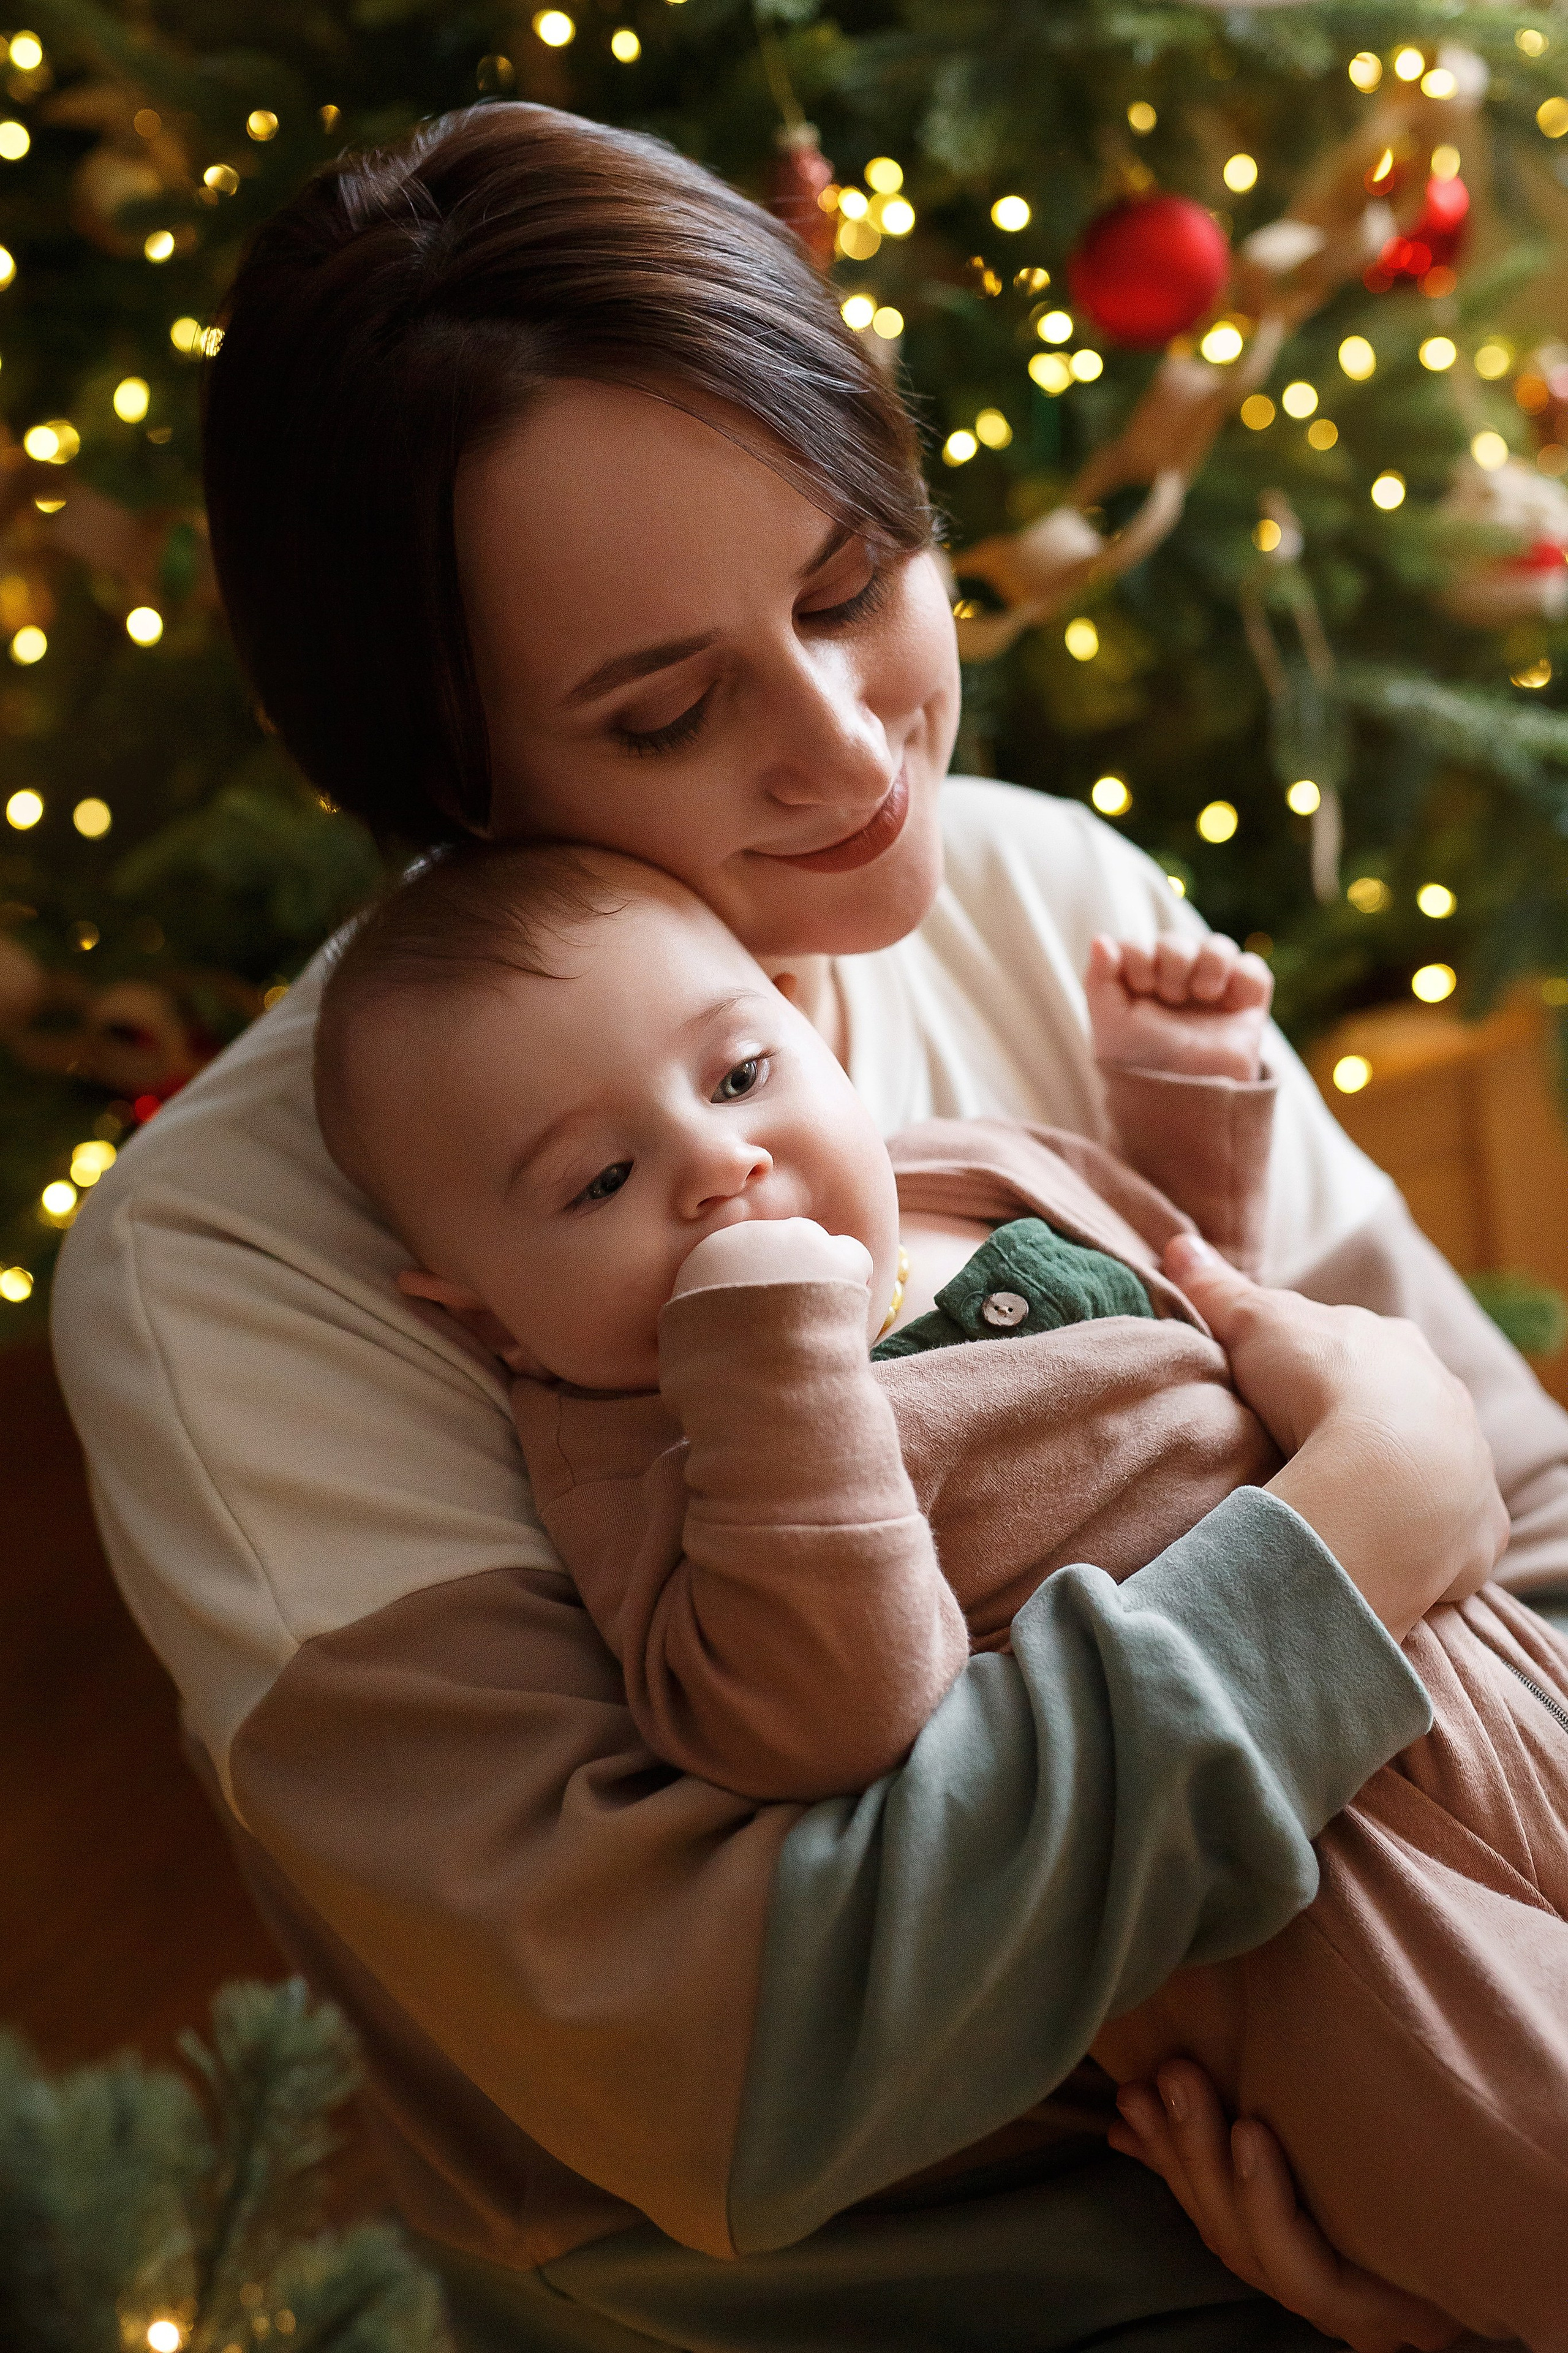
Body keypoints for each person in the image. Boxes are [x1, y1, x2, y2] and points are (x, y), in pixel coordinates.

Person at [50, 100, 1568, 2352]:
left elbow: (1526, 1519)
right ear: (443, 776)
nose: (857, 750)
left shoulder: (1047, 889)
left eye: (854, 582)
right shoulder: (236, 1271)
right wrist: (1339, 1547)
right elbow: (740, 2066)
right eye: (668, 711)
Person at [306, 836, 1565, 2342]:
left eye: (735, 1075)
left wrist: (1180, 1096)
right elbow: (829, 1718)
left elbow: (1197, 1300)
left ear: (804, 1023)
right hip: (1295, 1905)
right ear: (482, 1316)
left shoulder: (966, 1164)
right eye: (598, 1180)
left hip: (1469, 1662)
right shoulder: (640, 1444)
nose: (720, 1166)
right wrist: (771, 1355)